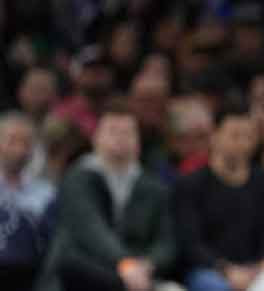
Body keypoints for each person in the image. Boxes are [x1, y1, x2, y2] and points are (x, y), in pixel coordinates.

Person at [40, 102, 178, 291]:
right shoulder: (78, 177)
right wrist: (125, 264)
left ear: (138, 141)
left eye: (127, 132)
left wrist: (147, 264)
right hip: (81, 274)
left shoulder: (154, 187)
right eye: (113, 131)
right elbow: (91, 230)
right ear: (96, 138)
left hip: (137, 276)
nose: (120, 138)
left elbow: (166, 241)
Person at [174, 104, 264, 291]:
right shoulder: (191, 184)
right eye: (235, 135)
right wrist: (226, 270)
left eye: (248, 136)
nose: (242, 143)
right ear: (215, 136)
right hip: (209, 270)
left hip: (256, 268)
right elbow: (190, 243)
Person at [0, 111, 56, 288]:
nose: (19, 149)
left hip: (29, 275)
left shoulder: (46, 193)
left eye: (25, 143)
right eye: (12, 141)